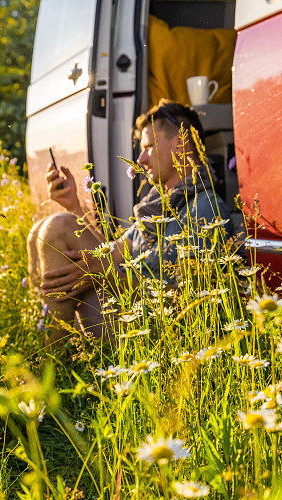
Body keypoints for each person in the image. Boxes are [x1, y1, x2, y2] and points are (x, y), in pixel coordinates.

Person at [27, 100, 233, 346]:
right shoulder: (158, 206)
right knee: (38, 233)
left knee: (59, 226)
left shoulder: (205, 209)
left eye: (148, 146)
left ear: (180, 143)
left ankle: (46, 367)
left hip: (156, 335)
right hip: (127, 311)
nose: (141, 158)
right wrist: (73, 206)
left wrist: (110, 276)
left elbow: (188, 305)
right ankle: (52, 352)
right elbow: (109, 253)